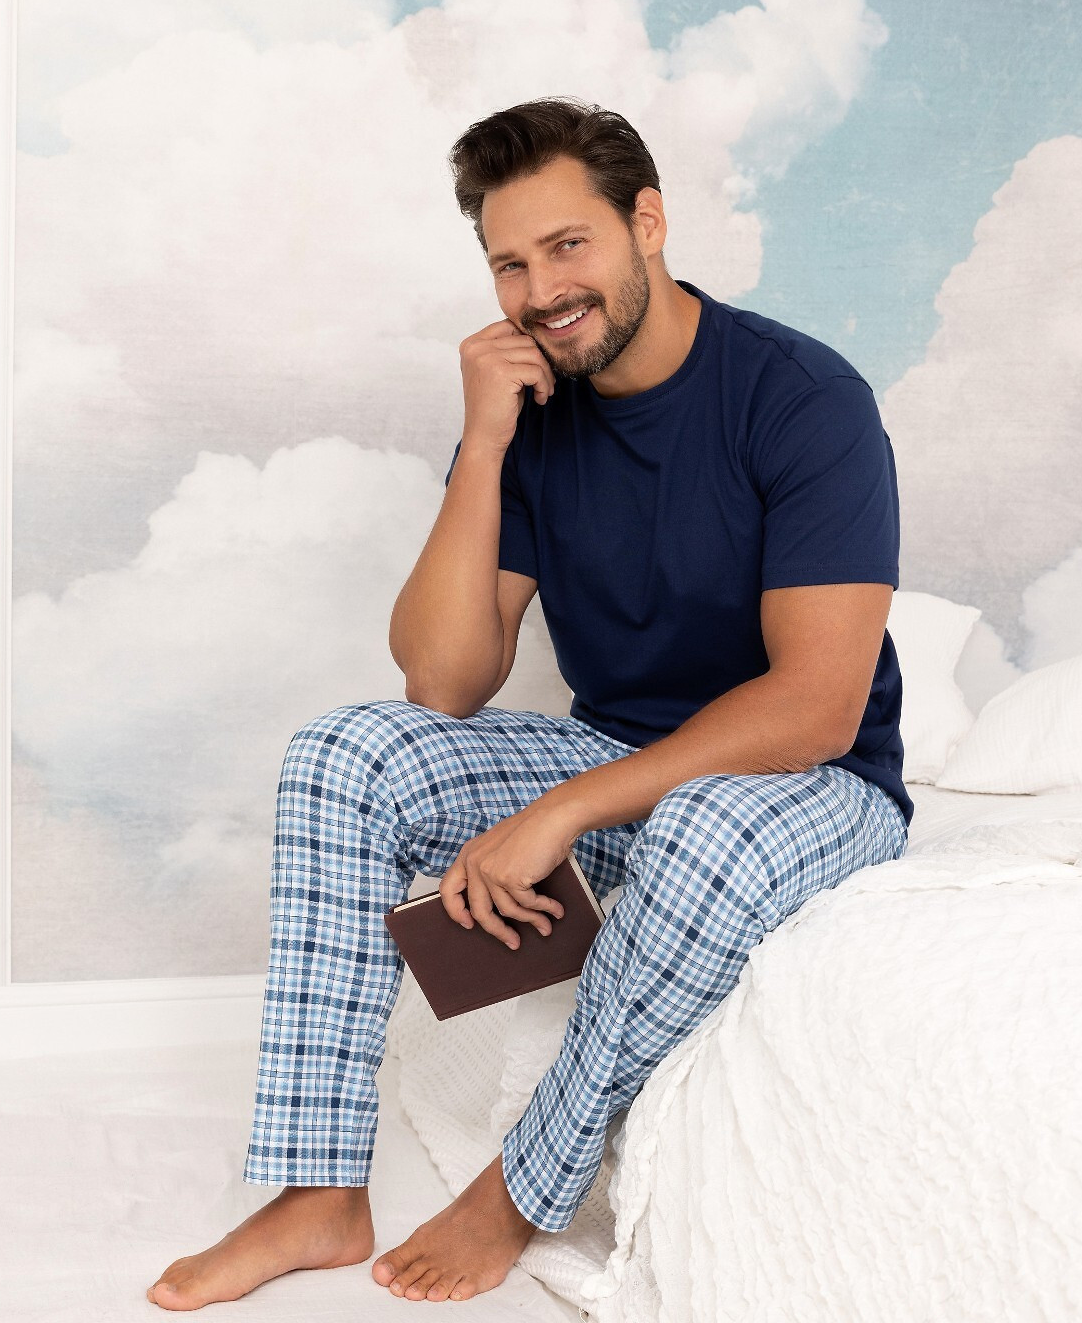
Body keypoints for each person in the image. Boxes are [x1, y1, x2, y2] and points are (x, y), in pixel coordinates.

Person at [146, 97, 909, 1310]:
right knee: (347, 754)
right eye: (509, 263)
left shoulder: (800, 396)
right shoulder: (533, 410)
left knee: (703, 831)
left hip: (809, 784)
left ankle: (517, 1192)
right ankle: (315, 1192)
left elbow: (815, 705)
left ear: (647, 223)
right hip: (618, 754)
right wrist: (485, 444)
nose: (542, 290)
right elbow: (444, 680)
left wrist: (560, 811)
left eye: (568, 245)